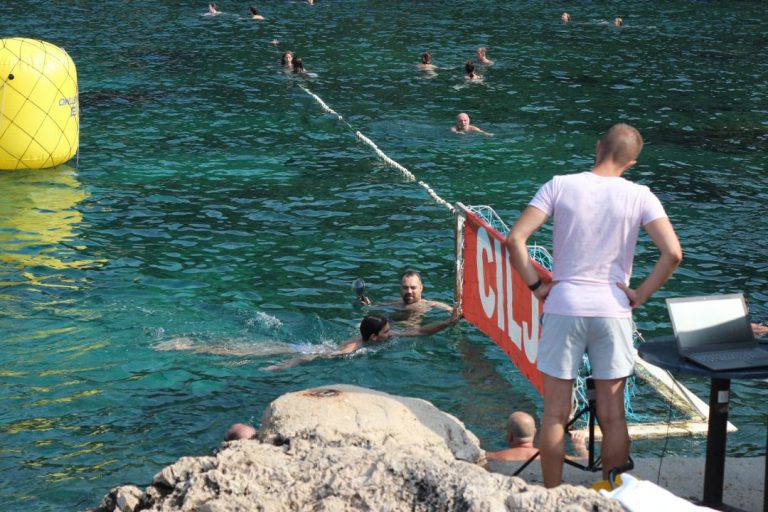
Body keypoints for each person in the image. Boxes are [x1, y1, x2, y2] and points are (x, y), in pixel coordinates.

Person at [505, 123, 682, 488]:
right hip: (612, 308)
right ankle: (611, 493)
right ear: (631, 163)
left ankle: (552, 496)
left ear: (598, 147)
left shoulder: (559, 184)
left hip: (564, 305)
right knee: (614, 416)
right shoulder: (641, 196)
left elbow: (515, 239)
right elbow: (673, 254)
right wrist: (641, 293)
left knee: (554, 414)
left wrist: (537, 285)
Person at [266, 310, 461, 370]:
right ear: (374, 337)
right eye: (386, 331)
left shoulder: (383, 336)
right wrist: (282, 366)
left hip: (314, 347)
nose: (390, 333)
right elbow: (314, 356)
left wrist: (448, 323)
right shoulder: (352, 348)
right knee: (262, 350)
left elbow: (421, 332)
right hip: (308, 349)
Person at [485, 411, 588, 461]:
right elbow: (585, 460)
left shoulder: (495, 456)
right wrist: (580, 447)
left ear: (510, 435)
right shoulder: (551, 457)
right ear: (534, 433)